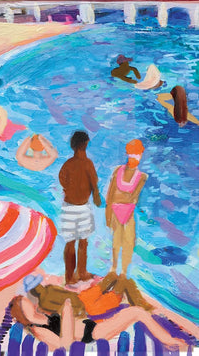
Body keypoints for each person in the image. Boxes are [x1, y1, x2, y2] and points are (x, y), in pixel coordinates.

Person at [8, 288, 188, 351]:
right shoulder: (38, 330)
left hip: (92, 324)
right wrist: (68, 315)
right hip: (92, 334)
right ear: (23, 315)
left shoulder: (44, 315)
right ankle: (170, 342)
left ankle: (170, 334)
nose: (30, 303)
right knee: (136, 312)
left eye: (27, 301)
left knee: (132, 308)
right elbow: (65, 346)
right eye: (25, 304)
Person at [58, 131, 101, 285]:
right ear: (85, 143)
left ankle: (71, 276)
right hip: (82, 206)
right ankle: (80, 272)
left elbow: (62, 179)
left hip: (69, 206)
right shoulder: (87, 163)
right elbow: (94, 183)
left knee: (71, 241)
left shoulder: (68, 164)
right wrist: (96, 197)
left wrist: (70, 189)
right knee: (83, 241)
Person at [22, 270, 153, 319]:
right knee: (122, 280)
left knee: (116, 277)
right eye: (37, 284)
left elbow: (65, 302)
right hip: (87, 305)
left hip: (85, 299)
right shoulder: (47, 294)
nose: (40, 286)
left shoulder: (45, 298)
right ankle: (143, 306)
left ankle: (142, 305)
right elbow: (66, 308)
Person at [106, 139, 148, 277]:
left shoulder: (142, 176)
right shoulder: (118, 171)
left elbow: (133, 198)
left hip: (128, 211)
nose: (135, 157)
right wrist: (108, 214)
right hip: (116, 209)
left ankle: (123, 271)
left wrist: (120, 198)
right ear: (128, 154)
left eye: (137, 154)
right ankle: (113, 268)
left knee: (129, 242)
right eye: (133, 154)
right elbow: (110, 194)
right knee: (116, 241)